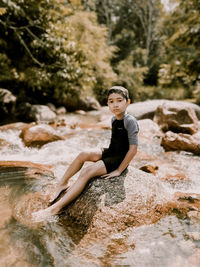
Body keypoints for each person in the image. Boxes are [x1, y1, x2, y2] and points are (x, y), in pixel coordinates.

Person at [32, 86, 139, 222]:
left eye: (119, 100)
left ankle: (56, 208)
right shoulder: (113, 119)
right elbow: (115, 143)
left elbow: (133, 149)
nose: (115, 104)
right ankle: (62, 183)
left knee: (86, 172)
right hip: (111, 152)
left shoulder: (130, 121)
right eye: (111, 101)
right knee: (83, 154)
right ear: (107, 104)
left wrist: (119, 170)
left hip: (118, 159)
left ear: (127, 102)